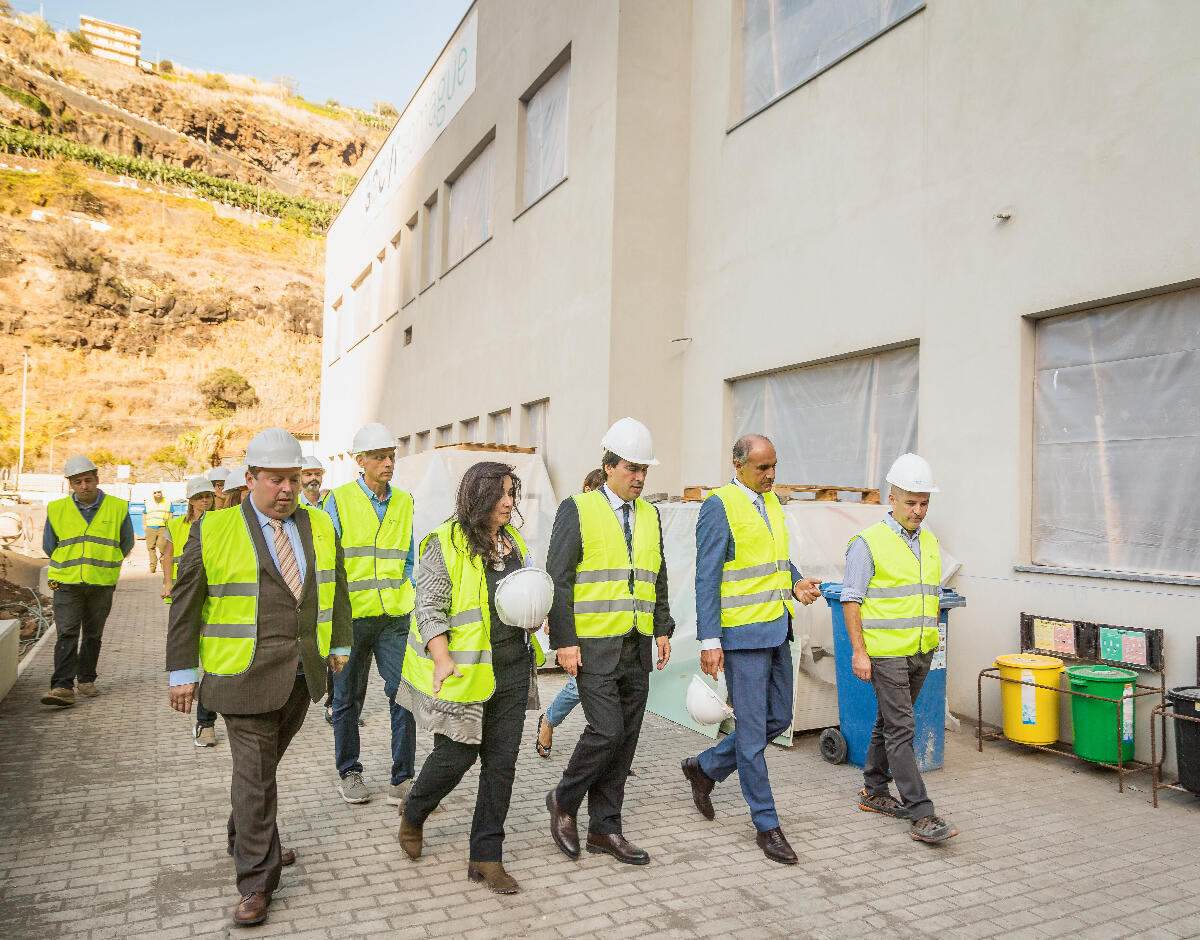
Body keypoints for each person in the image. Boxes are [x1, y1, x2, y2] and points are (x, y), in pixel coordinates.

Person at [165, 428, 352, 927]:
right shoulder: (214, 529)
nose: (287, 489)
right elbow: (185, 604)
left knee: (260, 774)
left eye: (294, 479)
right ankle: (256, 880)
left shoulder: (319, 524)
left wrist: (339, 643)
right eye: (275, 480)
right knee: (255, 778)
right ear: (250, 479)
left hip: (302, 674)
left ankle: (248, 837)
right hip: (240, 676)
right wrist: (182, 671)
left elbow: (336, 586)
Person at [396, 462, 545, 894]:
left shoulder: (514, 543)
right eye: (500, 494)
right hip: (463, 673)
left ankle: (486, 855)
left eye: (512, 493)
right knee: (455, 758)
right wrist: (441, 657)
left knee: (501, 766)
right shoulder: (444, 543)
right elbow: (428, 608)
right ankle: (414, 812)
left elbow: (522, 595)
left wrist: (535, 615)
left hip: (513, 669)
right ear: (477, 496)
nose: (508, 502)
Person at [679, 435, 822, 864]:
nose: (771, 474)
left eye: (774, 465)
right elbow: (707, 577)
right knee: (754, 734)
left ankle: (705, 768)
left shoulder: (771, 502)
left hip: (776, 630)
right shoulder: (719, 506)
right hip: (741, 637)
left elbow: (776, 560)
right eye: (763, 467)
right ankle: (766, 825)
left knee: (777, 720)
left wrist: (795, 581)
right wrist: (710, 641)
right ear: (738, 465)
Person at [545, 418, 674, 866]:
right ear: (609, 466)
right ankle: (563, 799)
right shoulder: (577, 509)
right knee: (606, 731)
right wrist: (564, 641)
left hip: (637, 644)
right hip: (593, 645)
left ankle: (605, 828)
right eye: (632, 468)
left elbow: (657, 575)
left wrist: (663, 627)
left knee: (626, 739)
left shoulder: (650, 515)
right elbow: (558, 579)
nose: (639, 477)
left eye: (644, 470)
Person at [841, 452, 957, 844]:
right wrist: (859, 652)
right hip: (885, 652)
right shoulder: (867, 543)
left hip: (921, 650)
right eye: (911, 502)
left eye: (924, 503)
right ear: (892, 498)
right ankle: (921, 814)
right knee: (902, 728)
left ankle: (873, 791)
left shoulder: (930, 542)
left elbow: (931, 596)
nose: (918, 510)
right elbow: (851, 600)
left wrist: (932, 638)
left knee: (889, 723)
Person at [323, 422, 417, 806]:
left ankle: (403, 778)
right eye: (379, 457)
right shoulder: (338, 500)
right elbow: (328, 561)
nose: (388, 463)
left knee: (404, 693)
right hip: (351, 619)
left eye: (391, 456)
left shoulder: (405, 501)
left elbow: (408, 557)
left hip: (394, 616)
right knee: (346, 698)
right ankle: (349, 772)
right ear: (360, 461)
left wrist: (407, 588)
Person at [40, 456, 134, 707]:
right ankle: (62, 686)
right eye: (77, 482)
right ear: (70, 484)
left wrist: (105, 563)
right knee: (67, 632)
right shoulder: (57, 509)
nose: (84, 486)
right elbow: (49, 546)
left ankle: (86, 679)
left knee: (93, 634)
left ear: (97, 479)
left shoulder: (117, 507)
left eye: (88, 480)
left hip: (101, 582)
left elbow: (126, 543)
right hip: (65, 582)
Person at [535, 467, 605, 759]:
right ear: (587, 490)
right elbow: (558, 575)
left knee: (601, 690)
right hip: (578, 619)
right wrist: (555, 618)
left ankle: (609, 747)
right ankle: (549, 720)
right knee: (580, 686)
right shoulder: (575, 518)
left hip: (606, 623)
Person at [161, 475, 219, 746]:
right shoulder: (176, 525)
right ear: (190, 501)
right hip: (187, 597)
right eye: (199, 497)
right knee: (191, 651)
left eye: (207, 496)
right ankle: (204, 722)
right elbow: (168, 556)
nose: (204, 501)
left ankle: (206, 722)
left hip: (215, 601)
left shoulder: (223, 522)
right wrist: (167, 583)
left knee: (212, 664)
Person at [144, 487, 173, 574]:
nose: (157, 494)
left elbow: (170, 514)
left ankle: (164, 566)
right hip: (150, 528)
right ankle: (152, 568)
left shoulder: (167, 502)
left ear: (161, 493)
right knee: (151, 548)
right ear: (153, 494)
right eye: (155, 492)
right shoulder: (148, 502)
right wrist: (145, 525)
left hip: (162, 527)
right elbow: (144, 514)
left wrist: (169, 525)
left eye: (159, 492)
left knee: (163, 547)